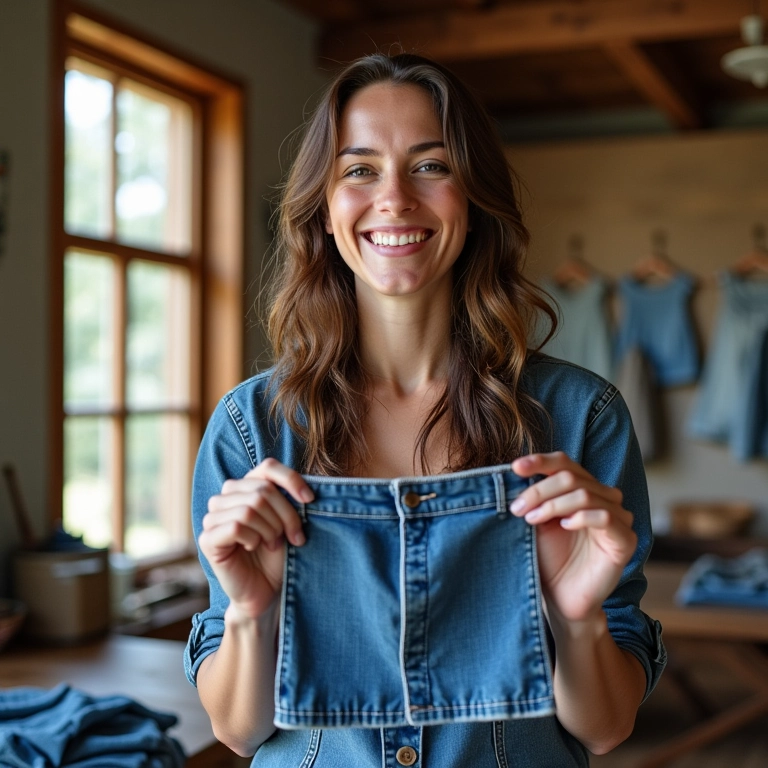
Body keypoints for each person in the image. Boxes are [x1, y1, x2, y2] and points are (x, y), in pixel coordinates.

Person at [184, 53, 665, 767]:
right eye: (360, 169)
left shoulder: (582, 415)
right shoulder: (251, 429)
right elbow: (239, 731)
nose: (396, 198)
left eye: (431, 165)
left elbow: (604, 728)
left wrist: (577, 615)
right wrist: (253, 612)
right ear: (324, 205)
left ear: (473, 198)